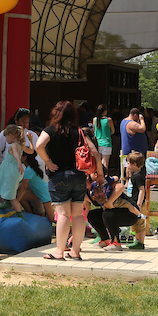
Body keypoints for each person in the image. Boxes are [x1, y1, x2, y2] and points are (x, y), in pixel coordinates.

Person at [36, 101, 88, 261]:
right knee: (78, 215)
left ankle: (59, 251)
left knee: (63, 214)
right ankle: (76, 251)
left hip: (59, 176)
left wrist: (48, 161)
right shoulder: (78, 131)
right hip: (79, 175)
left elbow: (39, 145)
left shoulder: (50, 130)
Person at [0, 108, 52, 221]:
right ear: (16, 120)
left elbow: (35, 151)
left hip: (26, 172)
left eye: (27, 121)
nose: (25, 124)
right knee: (15, 194)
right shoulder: (7, 134)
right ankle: (20, 214)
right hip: (15, 172)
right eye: (23, 120)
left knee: (31, 198)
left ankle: (37, 219)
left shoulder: (30, 135)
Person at [0, 123, 26, 213]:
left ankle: (20, 215)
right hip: (12, 171)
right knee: (7, 187)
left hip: (12, 171)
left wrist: (19, 163)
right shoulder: (21, 145)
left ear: (11, 135)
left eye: (6, 137)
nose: (6, 139)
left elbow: (16, 154)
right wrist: (31, 141)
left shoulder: (14, 145)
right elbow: (30, 151)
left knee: (12, 197)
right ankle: (7, 203)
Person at [93, 104, 114, 174]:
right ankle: (104, 177)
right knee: (105, 162)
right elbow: (113, 131)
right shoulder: (109, 120)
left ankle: (98, 176)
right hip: (106, 142)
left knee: (98, 161)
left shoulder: (95, 119)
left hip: (97, 143)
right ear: (105, 111)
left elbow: (94, 130)